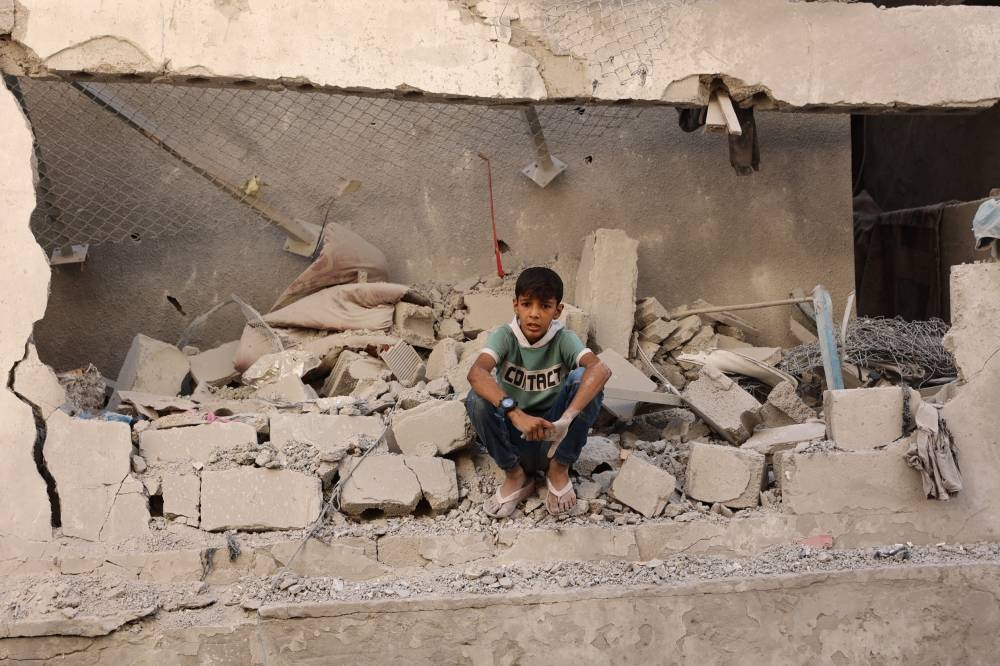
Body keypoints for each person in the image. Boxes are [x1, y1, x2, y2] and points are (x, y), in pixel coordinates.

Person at [465, 267, 612, 517]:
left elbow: (600, 369)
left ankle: (558, 469)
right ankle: (515, 475)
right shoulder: (505, 336)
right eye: (526, 304)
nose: (534, 314)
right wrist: (515, 414)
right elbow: (476, 373)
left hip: (553, 437)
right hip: (515, 436)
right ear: (515, 306)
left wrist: (565, 420)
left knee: (585, 378)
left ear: (558, 311)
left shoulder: (563, 338)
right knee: (477, 398)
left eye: (544, 306)